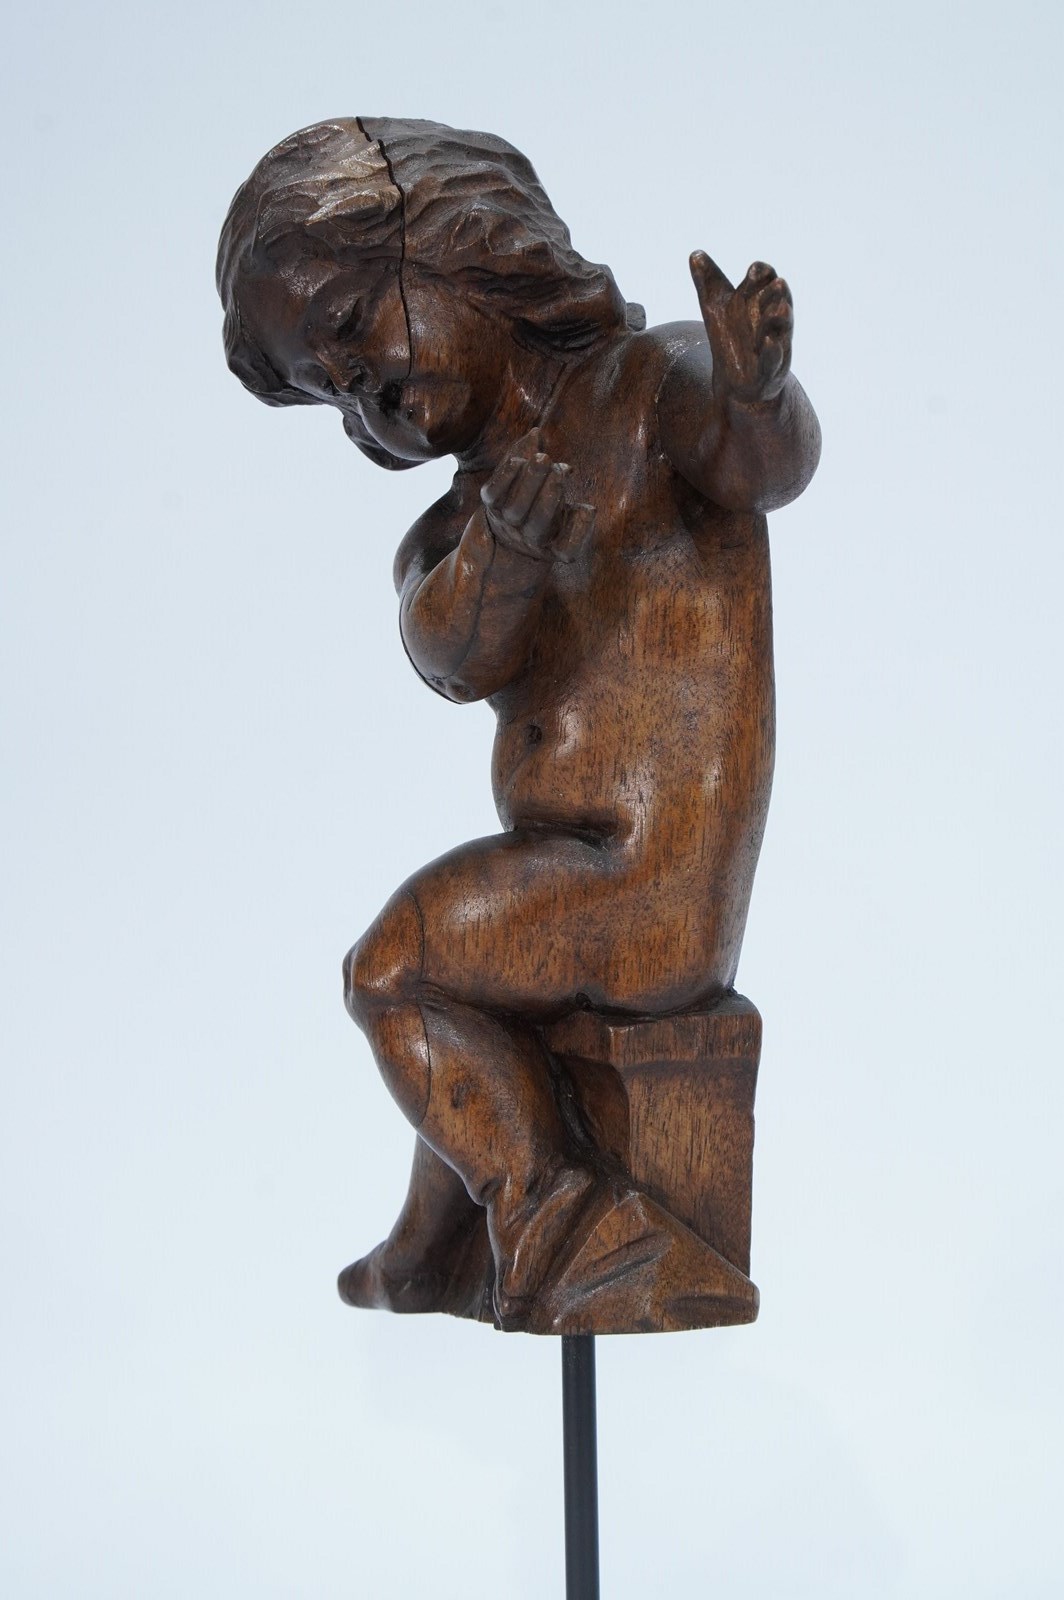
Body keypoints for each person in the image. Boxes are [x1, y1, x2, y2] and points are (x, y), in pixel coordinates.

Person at [217, 117, 821, 1328]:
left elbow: (758, 467)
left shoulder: (652, 387)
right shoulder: (454, 524)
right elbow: (447, 652)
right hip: (571, 872)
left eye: (350, 327)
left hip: (646, 882)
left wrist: (755, 391)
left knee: (394, 971)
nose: (363, 393)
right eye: (335, 396)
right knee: (478, 997)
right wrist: (501, 553)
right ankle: (428, 1248)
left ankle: (551, 1214)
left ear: (458, 242)